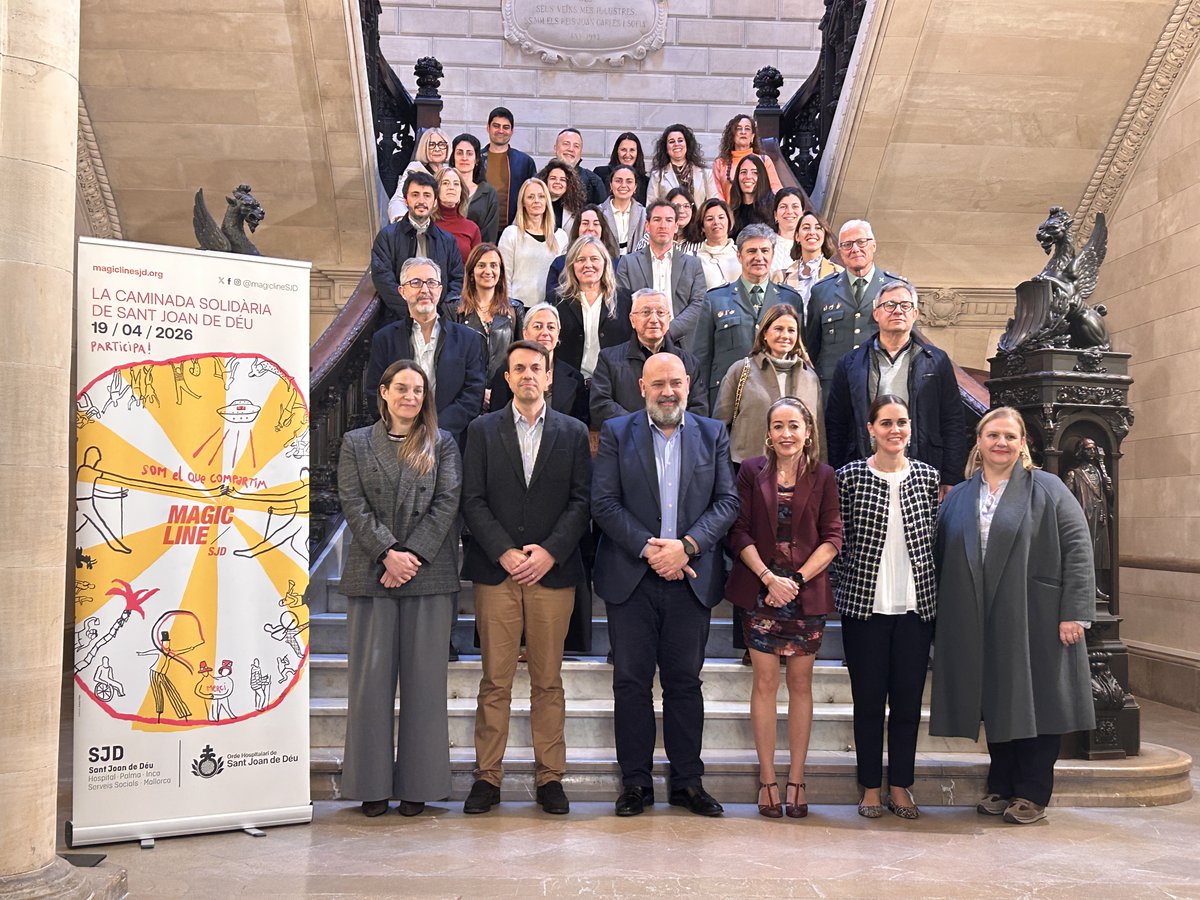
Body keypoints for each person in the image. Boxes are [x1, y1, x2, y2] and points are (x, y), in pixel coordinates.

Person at [931, 407, 1096, 825]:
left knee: (1039, 700)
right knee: (997, 699)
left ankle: (1033, 792)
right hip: (979, 616)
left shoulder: (1049, 488)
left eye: (1009, 436)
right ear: (979, 440)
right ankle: (1001, 784)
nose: (1000, 443)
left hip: (1037, 614)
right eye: (992, 435)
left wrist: (1074, 612)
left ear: (1023, 443)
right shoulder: (962, 496)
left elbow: (1079, 549)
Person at [591, 353, 739, 818]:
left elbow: (727, 501)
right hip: (631, 577)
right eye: (658, 384)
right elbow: (604, 502)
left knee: (684, 684)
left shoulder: (712, 433)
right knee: (631, 683)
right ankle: (634, 782)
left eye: (675, 382)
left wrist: (687, 547)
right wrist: (651, 549)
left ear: (689, 384)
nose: (668, 391)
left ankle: (687, 782)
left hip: (690, 578)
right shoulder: (618, 433)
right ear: (642, 387)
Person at [460, 340, 593, 816]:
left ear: (550, 375)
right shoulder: (481, 430)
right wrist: (505, 552)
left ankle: (550, 776)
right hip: (496, 573)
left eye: (537, 368)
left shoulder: (574, 432)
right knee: (495, 680)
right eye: (519, 369)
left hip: (552, 575)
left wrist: (550, 552)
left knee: (548, 680)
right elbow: (472, 499)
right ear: (508, 378)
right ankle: (487, 777)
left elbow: (582, 502)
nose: (529, 375)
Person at [337, 359, 462, 818]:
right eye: (402, 389)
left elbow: (448, 501)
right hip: (373, 572)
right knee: (369, 686)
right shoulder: (354, 443)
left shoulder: (442, 443)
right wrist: (388, 553)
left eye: (418, 390)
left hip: (429, 573)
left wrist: (410, 558)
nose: (411, 397)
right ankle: (370, 785)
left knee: (425, 686)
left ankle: (419, 785)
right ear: (384, 392)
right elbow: (351, 501)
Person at [726, 397, 841, 819]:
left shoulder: (825, 475)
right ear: (768, 433)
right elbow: (736, 532)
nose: (786, 434)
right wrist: (768, 579)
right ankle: (768, 781)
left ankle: (797, 779)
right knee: (764, 684)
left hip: (804, 594)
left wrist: (794, 582)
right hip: (760, 593)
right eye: (778, 426)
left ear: (808, 431)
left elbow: (833, 537)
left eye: (794, 425)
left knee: (801, 686)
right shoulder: (750, 472)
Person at [834, 394, 940, 820]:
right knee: (868, 703)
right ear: (871, 429)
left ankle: (901, 786)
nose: (895, 430)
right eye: (886, 423)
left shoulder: (928, 478)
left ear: (910, 428)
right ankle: (870, 789)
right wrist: (844, 586)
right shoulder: (850, 477)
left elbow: (936, 540)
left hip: (916, 611)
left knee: (908, 705)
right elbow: (837, 541)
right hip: (865, 611)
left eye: (902, 423)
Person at [824, 279, 966, 492]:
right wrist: (838, 473)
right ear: (876, 314)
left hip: (922, 469)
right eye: (889, 305)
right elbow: (836, 424)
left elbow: (953, 420)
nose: (898, 311)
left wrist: (951, 476)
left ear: (915, 314)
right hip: (864, 470)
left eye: (905, 305)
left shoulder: (936, 361)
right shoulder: (850, 363)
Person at [365, 257, 486, 447]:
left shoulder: (467, 339)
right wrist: (402, 426)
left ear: (440, 290)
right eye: (415, 283)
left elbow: (473, 393)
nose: (425, 290)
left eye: (431, 283)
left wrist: (436, 428)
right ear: (402, 291)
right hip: (397, 440)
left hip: (448, 440)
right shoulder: (384, 338)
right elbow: (375, 390)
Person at [692, 223, 804, 407]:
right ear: (739, 255)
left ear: (773, 255)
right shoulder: (716, 299)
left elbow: (798, 353)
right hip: (726, 400)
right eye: (751, 251)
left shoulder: (790, 299)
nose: (759, 257)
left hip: (777, 399)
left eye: (764, 251)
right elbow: (701, 358)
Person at [713, 303, 821, 465]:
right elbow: (719, 426)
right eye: (778, 329)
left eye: (791, 330)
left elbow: (818, 432)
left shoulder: (810, 377)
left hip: (798, 471)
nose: (785, 335)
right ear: (764, 333)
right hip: (746, 469)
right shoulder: (741, 370)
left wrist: (819, 468)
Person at [590, 288, 708, 429]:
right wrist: (641, 427)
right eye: (646, 312)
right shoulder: (609, 359)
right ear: (632, 320)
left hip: (676, 441)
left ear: (669, 318)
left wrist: (668, 430)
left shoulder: (688, 362)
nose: (654, 319)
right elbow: (600, 405)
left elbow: (699, 408)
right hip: (628, 439)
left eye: (660, 313)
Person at [807, 219, 901, 391]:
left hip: (880, 386)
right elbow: (812, 345)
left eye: (861, 242)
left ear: (873, 245)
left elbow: (908, 341)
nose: (855, 249)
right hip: (834, 387)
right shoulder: (822, 291)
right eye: (847, 244)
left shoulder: (895, 289)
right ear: (840, 251)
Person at [614, 200, 707, 349]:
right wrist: (649, 330)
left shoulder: (693, 264)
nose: (663, 225)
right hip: (640, 343)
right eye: (657, 220)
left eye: (669, 220)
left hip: (681, 343)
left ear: (676, 226)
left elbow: (698, 303)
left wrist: (668, 330)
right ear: (647, 225)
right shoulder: (628, 263)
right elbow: (624, 304)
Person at [370, 171, 464, 317]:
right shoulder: (387, 237)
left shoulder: (447, 241)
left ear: (434, 202)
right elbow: (383, 279)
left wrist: (438, 312)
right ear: (406, 200)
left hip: (439, 320)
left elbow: (457, 280)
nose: (421, 201)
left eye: (427, 195)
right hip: (398, 320)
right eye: (415, 195)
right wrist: (412, 312)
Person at [488, 303, 589, 424]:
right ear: (525, 333)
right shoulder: (505, 373)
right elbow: (496, 421)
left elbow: (579, 427)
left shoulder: (575, 378)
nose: (545, 332)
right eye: (537, 326)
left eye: (551, 327)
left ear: (558, 334)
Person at [448, 243, 524, 393]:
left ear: (501, 272)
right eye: (481, 265)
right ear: (471, 272)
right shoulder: (453, 309)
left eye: (494, 265)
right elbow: (450, 361)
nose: (488, 271)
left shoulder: (515, 309)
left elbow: (519, 357)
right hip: (466, 393)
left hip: (504, 394)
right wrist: (479, 391)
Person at [554, 235, 628, 381]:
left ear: (605, 263)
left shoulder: (625, 301)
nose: (588, 265)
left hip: (613, 384)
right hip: (571, 385)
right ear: (571, 265)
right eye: (581, 260)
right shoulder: (558, 302)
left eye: (594, 259)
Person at [498, 178, 568, 307]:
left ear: (547, 201)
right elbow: (504, 276)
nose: (536, 201)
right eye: (530, 197)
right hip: (517, 307)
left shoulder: (561, 236)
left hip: (551, 309)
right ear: (523, 202)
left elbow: (563, 280)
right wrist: (508, 307)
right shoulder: (511, 234)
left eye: (541, 196)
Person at [543, 205, 622, 305]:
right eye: (585, 223)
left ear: (602, 229)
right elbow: (551, 301)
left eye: (596, 224)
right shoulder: (559, 264)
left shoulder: (616, 264)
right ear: (577, 228)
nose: (590, 228)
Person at [772, 209, 841, 321]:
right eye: (806, 227)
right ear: (797, 237)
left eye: (818, 228)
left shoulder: (839, 273)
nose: (812, 232)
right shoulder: (780, 277)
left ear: (824, 235)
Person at [481, 106, 538, 232]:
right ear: (488, 128)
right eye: (496, 126)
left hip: (515, 231)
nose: (501, 130)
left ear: (512, 131)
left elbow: (533, 195)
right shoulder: (476, 160)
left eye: (506, 127)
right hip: (481, 229)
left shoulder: (524, 162)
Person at [712, 114, 783, 203]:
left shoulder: (764, 161)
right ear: (732, 135)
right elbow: (716, 195)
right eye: (738, 128)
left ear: (752, 136)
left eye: (747, 129)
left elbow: (776, 191)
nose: (743, 132)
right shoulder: (720, 163)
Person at [386, 127, 450, 222]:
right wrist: (403, 221)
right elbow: (397, 200)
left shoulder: (451, 172)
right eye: (431, 145)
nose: (437, 149)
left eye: (442, 144)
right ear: (424, 148)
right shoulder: (415, 169)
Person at [647, 124, 717, 207]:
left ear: (687, 144)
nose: (676, 144)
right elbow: (650, 208)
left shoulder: (706, 174)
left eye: (680, 140)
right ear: (666, 148)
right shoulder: (657, 175)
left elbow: (714, 205)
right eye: (671, 141)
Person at [452, 133, 499, 243]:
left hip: (478, 255)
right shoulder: (442, 188)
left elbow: (489, 234)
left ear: (477, 159)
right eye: (459, 153)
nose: (464, 158)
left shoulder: (488, 193)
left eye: (469, 154)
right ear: (453, 157)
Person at [434, 167, 481, 266]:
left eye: (456, 184)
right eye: (445, 183)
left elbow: (475, 267)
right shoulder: (427, 224)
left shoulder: (472, 228)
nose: (451, 187)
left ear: (461, 191)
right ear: (436, 189)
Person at [553, 127, 608, 205]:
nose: (571, 149)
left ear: (581, 151)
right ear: (555, 148)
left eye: (576, 146)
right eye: (566, 144)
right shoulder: (542, 179)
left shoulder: (594, 183)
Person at [600, 165, 647, 256]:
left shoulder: (644, 214)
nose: (623, 185)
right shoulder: (598, 212)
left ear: (635, 187)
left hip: (635, 265)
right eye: (618, 181)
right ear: (610, 185)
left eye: (629, 181)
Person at [695, 198, 741, 289]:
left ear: (729, 221)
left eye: (721, 217)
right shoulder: (694, 258)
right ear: (702, 227)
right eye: (710, 219)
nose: (716, 222)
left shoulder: (743, 253)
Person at [595, 132, 649, 205]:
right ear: (617, 151)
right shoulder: (600, 174)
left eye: (632, 150)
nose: (627, 154)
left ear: (638, 153)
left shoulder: (645, 181)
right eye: (623, 150)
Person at [728, 155, 775, 238]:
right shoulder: (731, 210)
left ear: (762, 177)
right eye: (743, 172)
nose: (748, 177)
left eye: (754, 172)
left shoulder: (774, 208)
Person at [538, 158, 585, 233]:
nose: (557, 182)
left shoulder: (576, 207)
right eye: (553, 178)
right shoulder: (535, 203)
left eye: (562, 180)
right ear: (545, 181)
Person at [770, 188, 807, 274]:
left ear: (802, 213)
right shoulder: (764, 242)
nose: (789, 211)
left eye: (795, 207)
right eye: (783, 207)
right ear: (775, 215)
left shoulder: (810, 245)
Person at [665, 188, 703, 254]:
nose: (681, 211)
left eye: (686, 206)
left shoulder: (702, 239)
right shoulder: (654, 235)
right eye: (676, 206)